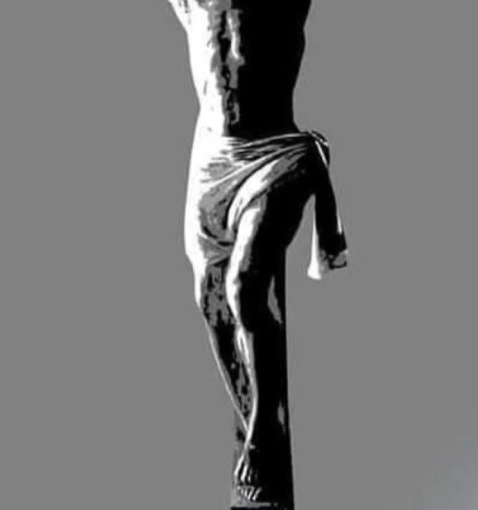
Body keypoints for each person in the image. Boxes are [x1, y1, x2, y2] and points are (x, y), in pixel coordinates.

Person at [167, 1, 348, 508]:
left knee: (245, 286)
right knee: (211, 301)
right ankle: (256, 419)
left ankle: (265, 424)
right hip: (212, 160)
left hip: (273, 153)